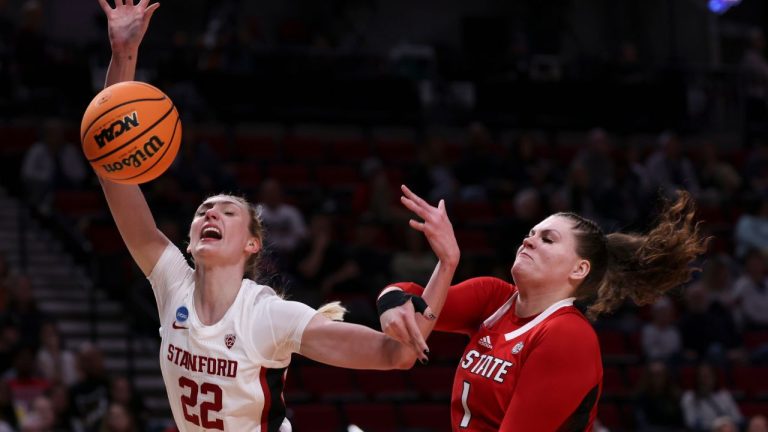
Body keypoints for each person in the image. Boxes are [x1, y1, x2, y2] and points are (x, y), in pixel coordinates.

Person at [95, 2, 459, 431]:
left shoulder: (268, 316)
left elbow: (397, 356)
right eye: (203, 210)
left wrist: (447, 263)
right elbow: (112, 167)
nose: (211, 212)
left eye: (228, 211)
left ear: (253, 243)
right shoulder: (172, 280)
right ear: (191, 238)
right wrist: (123, 56)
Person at [379, 190, 707, 430]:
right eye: (529, 234)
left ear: (579, 270)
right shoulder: (492, 297)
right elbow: (414, 296)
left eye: (547, 239)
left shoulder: (567, 336)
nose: (529, 241)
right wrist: (393, 305)